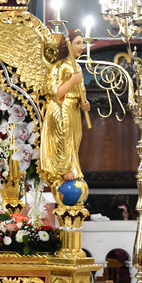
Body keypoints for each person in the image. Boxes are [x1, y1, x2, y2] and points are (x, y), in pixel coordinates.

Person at [39, 29, 91, 185]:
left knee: (74, 139)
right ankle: (64, 169)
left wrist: (84, 103)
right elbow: (55, 93)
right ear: (69, 45)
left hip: (74, 108)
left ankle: (72, 167)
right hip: (62, 107)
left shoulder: (77, 67)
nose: (81, 47)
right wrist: (72, 81)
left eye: (82, 43)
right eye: (78, 43)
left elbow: (81, 91)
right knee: (63, 137)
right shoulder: (59, 66)